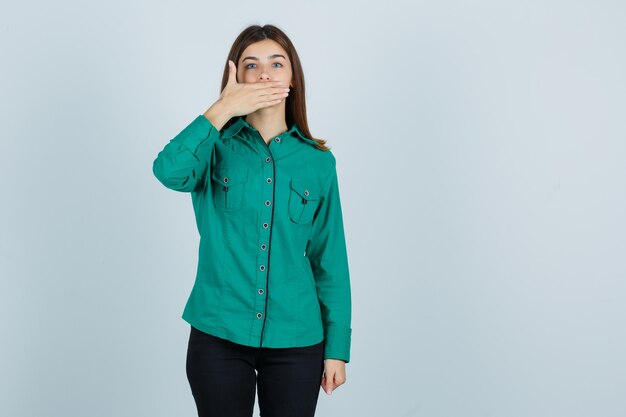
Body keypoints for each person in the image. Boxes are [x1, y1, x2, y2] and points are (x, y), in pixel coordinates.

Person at [152, 24, 352, 417]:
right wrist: (222, 108)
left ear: (292, 77)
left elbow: (330, 261)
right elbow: (168, 172)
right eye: (251, 65)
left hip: (297, 339)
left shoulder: (318, 162)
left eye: (277, 63)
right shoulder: (212, 147)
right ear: (235, 77)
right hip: (218, 336)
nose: (264, 73)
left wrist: (337, 350)